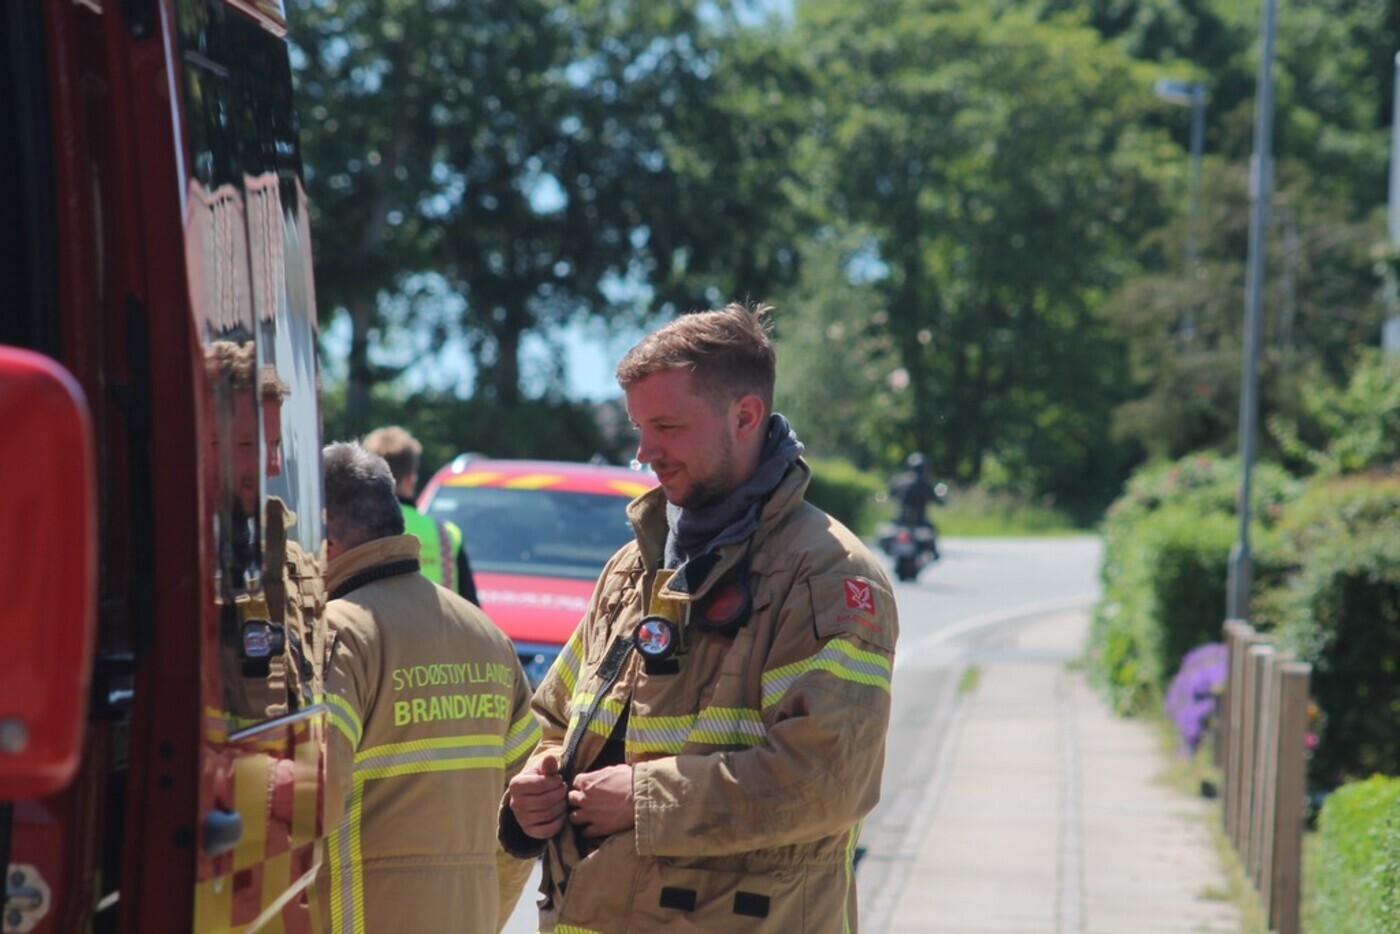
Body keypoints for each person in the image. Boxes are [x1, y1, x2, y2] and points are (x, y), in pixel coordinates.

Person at [500, 303, 898, 931]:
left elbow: (827, 779)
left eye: (666, 426)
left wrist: (645, 798)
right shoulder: (631, 568)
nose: (643, 452)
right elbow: (554, 719)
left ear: (744, 416)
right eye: (638, 427)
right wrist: (535, 782)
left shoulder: (826, 575)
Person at [317, 441, 540, 933]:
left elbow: (311, 807)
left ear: (326, 540)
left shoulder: (338, 633)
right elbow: (525, 819)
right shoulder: (487, 635)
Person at [363, 425, 479, 605]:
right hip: (436, 631)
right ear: (411, 479)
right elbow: (472, 611)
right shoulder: (448, 535)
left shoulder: (352, 530)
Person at [889, 452, 944, 542]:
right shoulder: (924, 483)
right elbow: (937, 499)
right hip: (919, 520)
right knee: (932, 532)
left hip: (899, 519)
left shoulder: (899, 481)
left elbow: (891, 494)